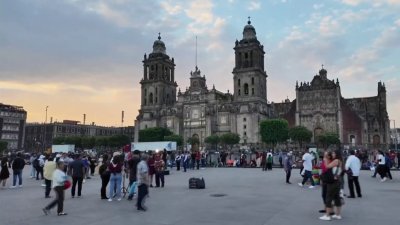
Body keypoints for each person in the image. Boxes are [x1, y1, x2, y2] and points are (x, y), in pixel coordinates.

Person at [319, 150, 343, 221]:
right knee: (336, 198)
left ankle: (327, 215)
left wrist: (325, 159)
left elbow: (327, 166)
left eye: (333, 153)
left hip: (333, 182)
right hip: (337, 181)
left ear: (336, 154)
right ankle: (338, 215)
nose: (332, 154)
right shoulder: (339, 161)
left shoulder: (336, 161)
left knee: (328, 198)